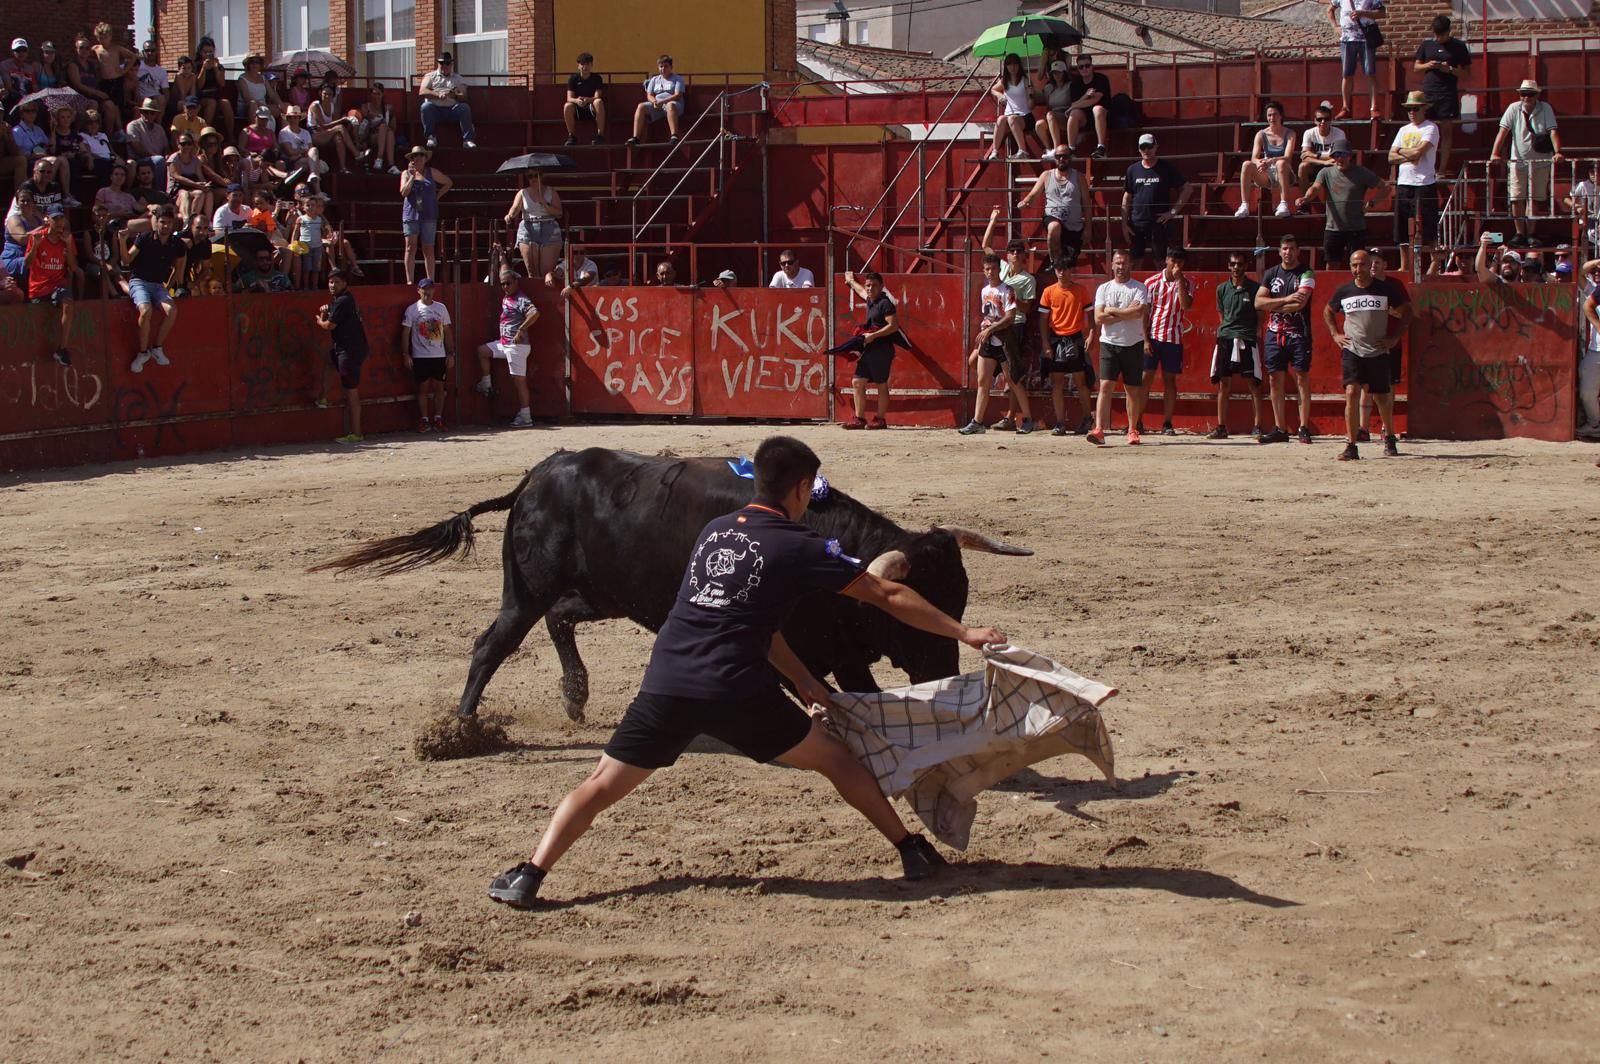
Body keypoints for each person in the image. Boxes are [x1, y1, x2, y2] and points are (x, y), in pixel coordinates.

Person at [485, 435, 1002, 909]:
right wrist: (964, 634)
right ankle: (912, 851)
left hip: (666, 680)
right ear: (803, 489)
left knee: (599, 784)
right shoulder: (800, 545)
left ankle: (529, 873)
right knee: (840, 761)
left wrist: (803, 681)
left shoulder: (713, 533)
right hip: (734, 688)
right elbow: (885, 591)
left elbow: (753, 620)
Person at [1324, 248, 1409, 460]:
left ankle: (1389, 437)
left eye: (1362, 264)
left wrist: (1394, 337)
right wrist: (1335, 334)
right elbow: (1327, 311)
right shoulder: (1344, 291)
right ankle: (1351, 444)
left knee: (1382, 397)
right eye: (1354, 265)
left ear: (1369, 265)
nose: (1358, 269)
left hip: (1378, 350)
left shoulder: (1385, 289)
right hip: (1352, 349)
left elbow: (1407, 311)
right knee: (1352, 392)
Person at [959, 253, 1031, 435]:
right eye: (987, 269)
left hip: (1005, 341)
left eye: (993, 269)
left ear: (1000, 269)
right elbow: (989, 315)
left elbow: (1010, 317)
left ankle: (1028, 419)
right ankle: (977, 421)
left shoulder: (1008, 290)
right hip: (990, 341)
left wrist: (990, 329)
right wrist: (986, 326)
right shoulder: (985, 291)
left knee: (1013, 380)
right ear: (983, 270)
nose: (990, 272)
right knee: (983, 381)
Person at [1257, 233, 1317, 444]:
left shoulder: (1306, 272)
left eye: (1291, 249)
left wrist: (1273, 303)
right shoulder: (1271, 273)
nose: (1288, 252)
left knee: (1301, 377)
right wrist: (1286, 299)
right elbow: (1258, 303)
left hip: (1299, 333)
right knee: (1274, 379)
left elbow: (1299, 304)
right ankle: (1280, 428)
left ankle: (1303, 426)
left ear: (1298, 251)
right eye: (1284, 248)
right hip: (1274, 334)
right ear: (1279, 251)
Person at [1489, 80, 1562, 248]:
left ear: (1537, 95)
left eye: (1529, 94)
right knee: (1517, 197)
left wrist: (1558, 151)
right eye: (1523, 93)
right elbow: (1503, 131)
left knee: (1535, 198)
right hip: (1518, 160)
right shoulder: (1514, 108)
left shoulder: (1545, 108)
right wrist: (1495, 153)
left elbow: (1553, 131)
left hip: (1540, 160)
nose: (1525, 97)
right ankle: (1520, 233)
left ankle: (1531, 233)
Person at [1088, 250, 1149, 446]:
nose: (1121, 267)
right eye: (1117, 263)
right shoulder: (1103, 289)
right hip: (1109, 343)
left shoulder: (1140, 288)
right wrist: (1126, 312)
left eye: (1124, 263)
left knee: (1132, 389)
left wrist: (1112, 311)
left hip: (1133, 343)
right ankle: (1099, 429)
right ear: (1112, 265)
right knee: (1105, 386)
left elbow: (1138, 312)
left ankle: (1132, 429)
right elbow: (1098, 318)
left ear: (1129, 264)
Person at [120, 205, 187, 371]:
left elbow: (178, 269)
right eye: (163, 222)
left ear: (173, 225)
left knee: (172, 311)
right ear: (156, 222)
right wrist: (122, 241)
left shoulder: (177, 244)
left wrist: (169, 287)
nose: (165, 226)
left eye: (169, 223)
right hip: (139, 281)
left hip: (158, 285)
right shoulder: (144, 238)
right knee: (146, 310)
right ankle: (143, 352)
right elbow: (127, 259)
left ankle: (157, 348)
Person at [1206, 252, 1264, 439]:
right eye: (1232, 264)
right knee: (1224, 383)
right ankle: (1221, 426)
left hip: (1246, 338)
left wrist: (1254, 333)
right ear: (1228, 266)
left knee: (1253, 383)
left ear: (1246, 265)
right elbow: (1221, 315)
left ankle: (1258, 425)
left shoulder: (1255, 288)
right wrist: (1227, 331)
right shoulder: (1222, 289)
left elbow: (1260, 315)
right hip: (1226, 337)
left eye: (1239, 264)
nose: (1236, 267)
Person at [1038, 257, 1097, 436]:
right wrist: (1046, 343)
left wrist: (1092, 334)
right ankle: (1060, 423)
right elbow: (1043, 320)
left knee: (1081, 380)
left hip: (1075, 338)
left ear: (1071, 271)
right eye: (1059, 269)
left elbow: (1091, 315)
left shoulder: (1080, 290)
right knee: (1057, 382)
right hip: (1056, 339)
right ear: (1055, 271)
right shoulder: (1048, 291)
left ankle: (1087, 418)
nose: (1062, 272)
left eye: (1065, 269)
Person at [476, 267, 541, 427]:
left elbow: (535, 313)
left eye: (508, 283)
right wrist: (501, 253)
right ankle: (486, 383)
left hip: (516, 345)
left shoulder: (520, 298)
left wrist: (521, 329)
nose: (505, 286)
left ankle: (526, 416)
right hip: (505, 343)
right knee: (482, 350)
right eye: (503, 284)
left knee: (519, 381)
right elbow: (504, 270)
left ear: (516, 282)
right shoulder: (508, 296)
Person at [1302, 145, 1384, 267]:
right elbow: (1315, 187)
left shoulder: (1361, 172)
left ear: (1350, 156)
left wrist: (1372, 203)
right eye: (1336, 155)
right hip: (1333, 228)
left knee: (1358, 264)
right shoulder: (1326, 172)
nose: (1340, 158)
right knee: (1331, 263)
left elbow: (1385, 187)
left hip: (1356, 228)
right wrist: (1306, 198)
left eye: (1343, 155)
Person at [1142, 246, 1193, 436]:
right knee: (1145, 378)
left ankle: (1167, 422)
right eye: (1173, 260)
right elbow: (1145, 314)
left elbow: (1186, 305)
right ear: (1167, 260)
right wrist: (1145, 339)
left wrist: (1179, 280)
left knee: (1170, 381)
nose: (1176, 264)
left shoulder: (1187, 283)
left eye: (1179, 261)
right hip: (1154, 336)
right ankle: (1137, 420)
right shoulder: (1152, 282)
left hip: (1174, 337)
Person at [1389, 91, 1440, 274]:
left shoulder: (1431, 128)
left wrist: (1402, 152)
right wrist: (1409, 154)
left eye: (1415, 108)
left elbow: (1419, 153)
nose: (1412, 112)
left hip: (1424, 183)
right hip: (1404, 182)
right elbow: (1390, 157)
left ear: (1423, 109)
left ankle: (1434, 264)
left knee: (1428, 227)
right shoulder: (1403, 130)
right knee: (1402, 227)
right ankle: (1405, 266)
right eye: (1409, 109)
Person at [1122, 135, 1191, 269]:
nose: (1146, 150)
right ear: (1139, 149)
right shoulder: (1132, 170)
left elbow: (1187, 188)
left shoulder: (1166, 168)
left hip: (1159, 222)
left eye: (1149, 147)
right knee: (1135, 262)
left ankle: (1162, 289)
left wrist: (1173, 212)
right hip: (1137, 222)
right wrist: (1124, 223)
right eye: (1143, 147)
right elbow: (1127, 196)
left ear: (1155, 147)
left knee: (1161, 262)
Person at [317, 269, 369, 444]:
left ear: (345, 283)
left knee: (351, 391)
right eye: (331, 282)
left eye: (337, 282)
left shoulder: (343, 301)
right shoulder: (342, 299)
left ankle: (356, 433)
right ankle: (323, 396)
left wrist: (320, 320)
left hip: (349, 350)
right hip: (346, 347)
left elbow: (330, 326)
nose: (333, 285)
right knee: (330, 362)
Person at [841, 270, 898, 430]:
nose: (870, 288)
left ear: (881, 287)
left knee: (881, 384)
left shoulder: (885, 303)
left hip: (882, 349)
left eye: (874, 286)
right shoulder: (871, 301)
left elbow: (893, 326)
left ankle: (880, 419)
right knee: (857, 382)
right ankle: (859, 418)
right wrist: (851, 281)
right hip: (870, 348)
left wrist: (874, 336)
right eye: (868, 285)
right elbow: (861, 291)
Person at [1413, 16, 1469, 175]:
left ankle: (1442, 168)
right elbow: (1416, 67)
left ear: (1448, 32)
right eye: (1436, 35)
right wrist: (1428, 65)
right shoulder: (1427, 44)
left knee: (1446, 130)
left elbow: (1466, 73)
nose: (1438, 38)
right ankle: (1423, 164)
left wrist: (1450, 70)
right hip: (1429, 91)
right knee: (1423, 129)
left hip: (1447, 93)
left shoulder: (1458, 46)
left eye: (1441, 35)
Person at [24, 206, 76, 365]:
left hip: (57, 286)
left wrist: (67, 245)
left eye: (61, 218)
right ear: (47, 220)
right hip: (39, 288)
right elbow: (27, 264)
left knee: (68, 302)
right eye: (56, 219)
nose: (59, 222)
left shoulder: (67, 239)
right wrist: (35, 246)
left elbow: (73, 268)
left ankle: (62, 349)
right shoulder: (37, 237)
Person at [1018, 149, 1087, 266]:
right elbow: (1033, 194)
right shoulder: (1046, 175)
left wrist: (1088, 229)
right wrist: (1025, 202)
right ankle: (1053, 262)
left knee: (1069, 262)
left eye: (1064, 156)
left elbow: (1087, 203)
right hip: (1053, 217)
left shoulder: (1079, 177)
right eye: (1058, 156)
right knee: (1054, 227)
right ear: (1054, 158)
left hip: (1074, 225)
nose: (1061, 159)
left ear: (1070, 158)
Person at [402, 277, 453, 432]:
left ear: (434, 290)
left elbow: (447, 332)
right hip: (420, 356)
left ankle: (438, 419)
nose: (428, 292)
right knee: (422, 388)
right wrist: (406, 354)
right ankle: (424, 420)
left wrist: (451, 353)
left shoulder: (441, 308)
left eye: (430, 289)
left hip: (438, 354)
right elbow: (405, 333)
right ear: (419, 290)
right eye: (424, 289)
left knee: (439, 387)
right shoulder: (412, 310)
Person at [1236, 100, 1298, 218]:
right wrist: (1261, 162)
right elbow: (1254, 157)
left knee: (1281, 163)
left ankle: (1284, 204)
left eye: (1274, 114)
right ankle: (1244, 205)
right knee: (1246, 165)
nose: (1271, 118)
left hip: (1284, 172)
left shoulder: (1290, 133)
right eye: (1269, 115)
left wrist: (1271, 161)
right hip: (1266, 174)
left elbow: (1288, 157)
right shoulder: (1261, 134)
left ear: (1281, 116)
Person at [401, 145, 451, 284]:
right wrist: (411, 177)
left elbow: (448, 182)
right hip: (411, 214)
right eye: (415, 157)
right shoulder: (405, 174)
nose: (418, 159)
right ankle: (409, 281)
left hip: (428, 213)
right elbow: (403, 192)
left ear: (425, 158)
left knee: (428, 247)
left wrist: (437, 196)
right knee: (410, 247)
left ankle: (431, 280)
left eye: (421, 156)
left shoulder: (432, 172)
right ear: (412, 160)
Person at [506, 167, 564, 279]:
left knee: (546, 272)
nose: (533, 178)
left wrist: (545, 205)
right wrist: (509, 215)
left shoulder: (551, 191)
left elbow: (559, 213)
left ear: (541, 175)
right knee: (531, 271)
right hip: (528, 226)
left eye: (535, 175)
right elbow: (515, 208)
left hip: (549, 226)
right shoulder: (522, 192)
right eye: (529, 176)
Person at [1331, 0, 1384, 120]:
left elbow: (1382, 13)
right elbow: (1330, 10)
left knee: (1370, 72)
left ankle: (1374, 108)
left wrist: (1363, 13)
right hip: (1347, 40)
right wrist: (1335, 27)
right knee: (1347, 74)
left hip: (1366, 39)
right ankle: (1345, 107)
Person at [419, 51, 476, 150]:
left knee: (464, 108)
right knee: (425, 107)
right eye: (442, 63)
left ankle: (468, 140)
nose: (444, 66)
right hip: (435, 111)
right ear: (438, 64)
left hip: (452, 110)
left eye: (447, 63)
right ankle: (431, 137)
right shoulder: (430, 76)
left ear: (451, 64)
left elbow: (464, 96)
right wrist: (438, 95)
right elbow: (422, 91)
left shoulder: (458, 78)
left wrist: (454, 95)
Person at [628, 55, 685, 146]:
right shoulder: (654, 79)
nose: (663, 69)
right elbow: (649, 95)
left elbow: (678, 95)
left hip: (674, 106)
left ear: (671, 67)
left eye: (665, 66)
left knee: (670, 105)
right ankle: (636, 138)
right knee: (641, 106)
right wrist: (654, 101)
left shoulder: (677, 79)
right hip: (658, 105)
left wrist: (662, 102)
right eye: (661, 66)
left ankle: (674, 136)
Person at [989, 53, 1033, 161]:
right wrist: (1000, 95)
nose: (1012, 67)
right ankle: (995, 151)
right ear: (1006, 66)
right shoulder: (1004, 81)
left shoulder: (1025, 80)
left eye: (1015, 64)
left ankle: (1022, 151)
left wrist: (1031, 94)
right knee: (1000, 119)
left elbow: (1031, 105)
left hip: (1024, 116)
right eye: (1009, 64)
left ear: (1019, 65)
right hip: (1009, 116)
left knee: (1011, 118)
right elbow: (993, 89)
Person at [1065, 54, 1110, 160]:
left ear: (1092, 66)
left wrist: (1075, 105)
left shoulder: (1101, 79)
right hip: (1084, 117)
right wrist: (1085, 96)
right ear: (1078, 69)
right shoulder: (1075, 84)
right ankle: (1071, 149)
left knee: (1097, 109)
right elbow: (1075, 104)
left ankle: (1101, 148)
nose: (1084, 69)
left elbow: (1095, 100)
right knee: (1074, 113)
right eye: (1081, 67)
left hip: (1103, 116)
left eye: (1087, 65)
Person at [307, 83, 359, 174]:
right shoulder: (315, 106)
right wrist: (342, 120)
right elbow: (323, 125)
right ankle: (356, 153)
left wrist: (345, 120)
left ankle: (343, 168)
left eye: (330, 94)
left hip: (327, 133)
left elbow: (333, 125)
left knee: (338, 137)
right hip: (314, 135)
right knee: (340, 127)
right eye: (325, 94)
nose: (327, 96)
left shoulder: (332, 106)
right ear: (320, 94)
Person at [1297, 100, 1349, 190]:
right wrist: (1323, 161)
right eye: (1319, 119)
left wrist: (1313, 155)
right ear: (1315, 121)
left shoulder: (1339, 133)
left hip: (1333, 164)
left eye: (1326, 119)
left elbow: (1339, 156)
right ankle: (1305, 200)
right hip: (1316, 165)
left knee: (1341, 164)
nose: (1323, 122)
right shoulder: (1309, 133)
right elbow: (1304, 156)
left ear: (1331, 120)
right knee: (1302, 166)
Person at [193, 37, 233, 139]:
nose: (208, 54)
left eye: (210, 52)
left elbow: (222, 84)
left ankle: (231, 136)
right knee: (211, 102)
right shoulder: (196, 65)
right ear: (200, 52)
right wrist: (204, 68)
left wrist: (216, 69)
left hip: (215, 95)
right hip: (201, 97)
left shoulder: (218, 66)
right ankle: (206, 133)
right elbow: (199, 86)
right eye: (205, 52)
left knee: (226, 103)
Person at [564, 52, 606, 145]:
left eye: (587, 64)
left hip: (592, 107)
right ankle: (571, 136)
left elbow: (597, 96)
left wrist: (588, 100)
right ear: (578, 66)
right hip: (577, 108)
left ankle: (600, 135)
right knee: (567, 106)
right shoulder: (573, 78)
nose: (585, 67)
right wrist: (577, 101)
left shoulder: (597, 78)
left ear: (592, 65)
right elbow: (569, 98)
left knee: (598, 101)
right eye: (582, 64)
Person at [126, 98, 170, 188]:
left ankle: (171, 192)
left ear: (156, 115)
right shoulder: (133, 126)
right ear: (141, 112)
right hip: (140, 160)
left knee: (171, 161)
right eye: (146, 112)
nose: (149, 115)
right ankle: (160, 191)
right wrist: (154, 156)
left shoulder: (159, 129)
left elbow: (166, 147)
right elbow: (136, 147)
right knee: (159, 160)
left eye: (152, 113)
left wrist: (167, 155)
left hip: (158, 159)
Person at [1579, 256, 1600, 438]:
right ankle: (1595, 424)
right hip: (1596, 350)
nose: (1597, 275)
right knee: (1587, 392)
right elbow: (1578, 272)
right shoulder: (1594, 289)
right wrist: (1597, 262)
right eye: (1596, 272)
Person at [357, 84, 399, 174]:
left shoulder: (388, 108)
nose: (376, 96)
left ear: (382, 94)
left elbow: (393, 128)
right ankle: (379, 158)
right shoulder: (366, 107)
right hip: (370, 136)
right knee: (384, 127)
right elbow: (362, 127)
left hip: (386, 135)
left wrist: (389, 114)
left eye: (378, 94)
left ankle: (391, 165)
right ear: (371, 94)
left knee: (390, 133)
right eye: (374, 93)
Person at [1037, 60, 1072, 160]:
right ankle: (1049, 150)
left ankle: (1057, 150)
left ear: (1064, 73)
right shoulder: (1048, 88)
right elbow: (1042, 99)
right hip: (1052, 116)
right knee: (1039, 125)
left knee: (1050, 115)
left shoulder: (1070, 85)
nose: (1057, 75)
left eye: (1059, 72)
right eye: (1054, 73)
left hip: (1067, 115)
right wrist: (1031, 92)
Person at [234, 54, 281, 128]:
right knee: (253, 104)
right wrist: (265, 106)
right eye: (252, 62)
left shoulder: (263, 78)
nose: (254, 64)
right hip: (247, 107)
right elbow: (247, 98)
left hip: (264, 107)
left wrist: (280, 104)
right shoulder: (242, 78)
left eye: (257, 62)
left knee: (286, 107)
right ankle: (254, 133)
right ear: (247, 64)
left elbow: (272, 95)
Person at [135, 41, 169, 117]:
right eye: (147, 50)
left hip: (156, 99)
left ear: (156, 51)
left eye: (152, 50)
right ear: (143, 52)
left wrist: (165, 104)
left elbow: (166, 91)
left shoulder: (162, 71)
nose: (150, 53)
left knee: (161, 99)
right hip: (142, 98)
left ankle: (158, 126)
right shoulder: (137, 66)